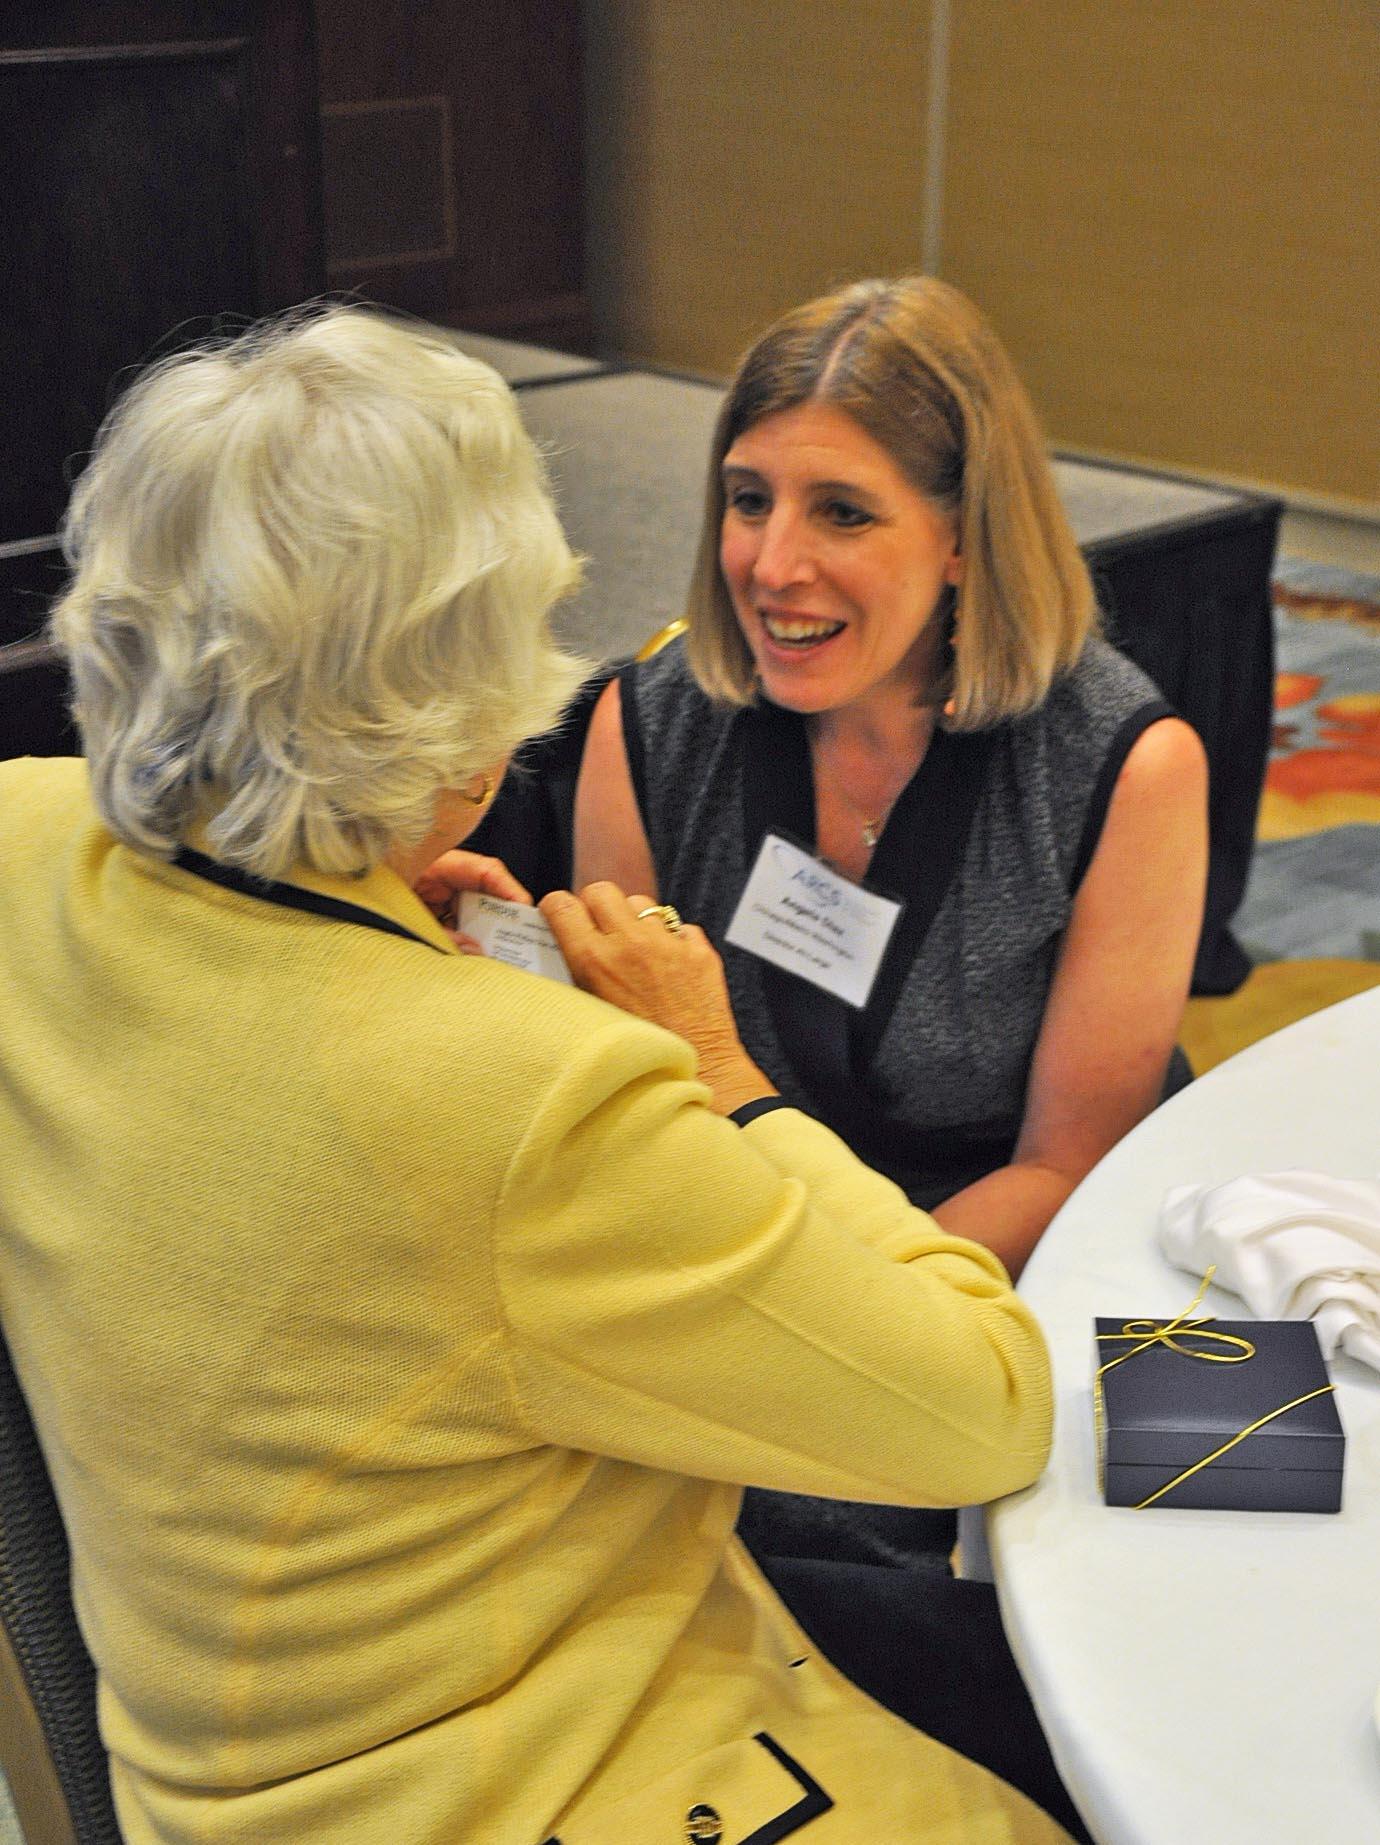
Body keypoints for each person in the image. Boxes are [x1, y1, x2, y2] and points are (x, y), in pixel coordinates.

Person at [0, 307, 1083, 1842]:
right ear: (474, 682)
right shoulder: (535, 1094)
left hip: (215, 1764)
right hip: (533, 1777)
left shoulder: (23, 844)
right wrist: (725, 1077)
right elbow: (988, 1405)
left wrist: (360, 888)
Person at [570, 274, 1207, 1573]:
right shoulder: (649, 722)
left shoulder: (1120, 767)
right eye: (749, 499)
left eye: (843, 512)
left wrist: (838, 1306)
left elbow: (1066, 1163)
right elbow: (621, 1093)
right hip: (724, 1246)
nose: (771, 565)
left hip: (983, 1257)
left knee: (841, 1563)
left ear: (965, 536)